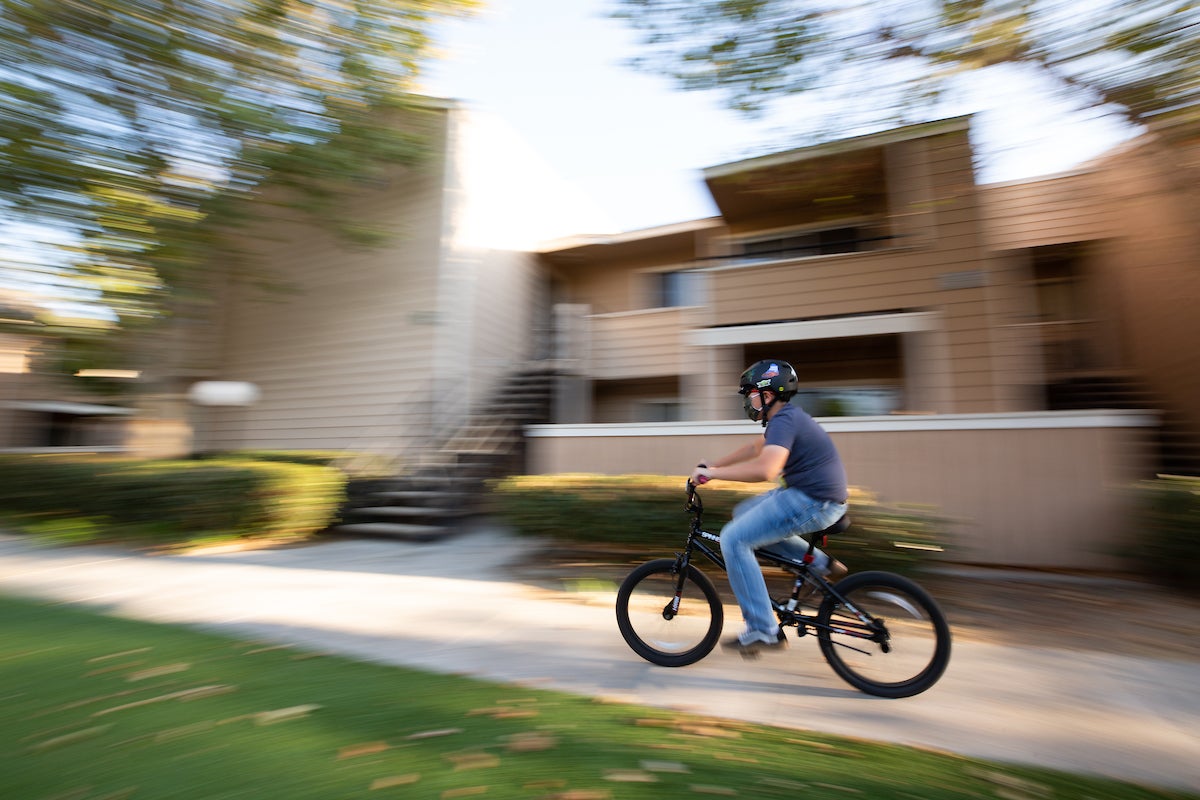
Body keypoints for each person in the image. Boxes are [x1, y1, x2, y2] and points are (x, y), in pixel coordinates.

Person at [689, 359, 849, 657]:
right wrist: (712, 466)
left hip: (813, 501)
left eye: (750, 394)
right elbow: (755, 448)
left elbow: (766, 470)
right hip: (811, 495)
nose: (747, 401)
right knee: (743, 515)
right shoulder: (785, 418)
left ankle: (763, 629)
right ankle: (820, 565)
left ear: (768, 394)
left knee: (733, 539)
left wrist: (713, 475)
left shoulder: (785, 420)